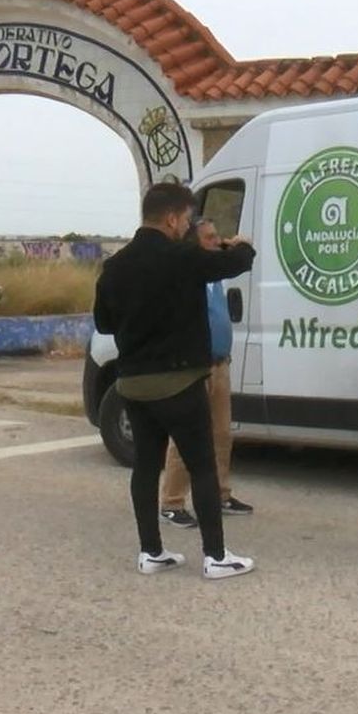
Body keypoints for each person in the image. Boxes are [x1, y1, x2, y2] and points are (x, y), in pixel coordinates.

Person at [92, 183, 257, 580]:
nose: (186, 226)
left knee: (146, 468)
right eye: (185, 219)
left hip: (134, 384)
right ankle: (216, 556)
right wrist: (243, 246)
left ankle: (151, 551)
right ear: (170, 218)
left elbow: (104, 323)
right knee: (202, 466)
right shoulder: (182, 257)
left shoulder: (115, 266)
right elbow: (234, 264)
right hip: (179, 382)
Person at [158, 218, 253, 529]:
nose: (216, 241)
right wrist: (238, 247)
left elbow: (232, 262)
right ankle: (172, 502)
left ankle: (220, 494)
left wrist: (227, 246)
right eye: (209, 237)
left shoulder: (215, 275)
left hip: (220, 363)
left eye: (217, 236)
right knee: (187, 436)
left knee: (221, 434)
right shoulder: (190, 273)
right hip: (196, 366)